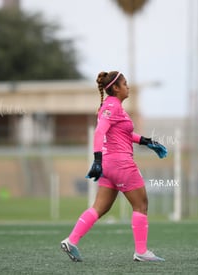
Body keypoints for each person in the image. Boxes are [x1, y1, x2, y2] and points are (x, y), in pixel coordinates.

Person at [61, 71, 167, 262]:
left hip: (109, 165)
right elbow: (99, 132)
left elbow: (124, 134)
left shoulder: (112, 106)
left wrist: (147, 141)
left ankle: (71, 240)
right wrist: (96, 159)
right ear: (116, 88)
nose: (128, 87)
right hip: (120, 163)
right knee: (141, 205)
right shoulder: (112, 107)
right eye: (125, 84)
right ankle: (141, 252)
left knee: (100, 207)